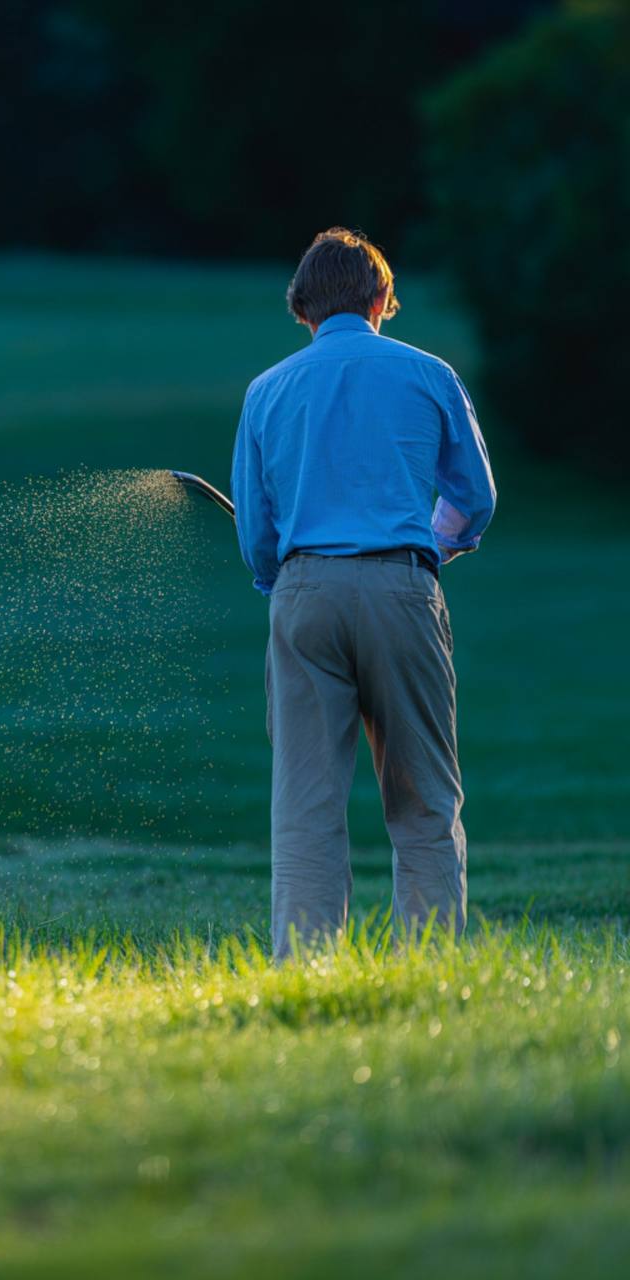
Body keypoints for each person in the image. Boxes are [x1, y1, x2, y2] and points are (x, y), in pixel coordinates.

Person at [230, 227, 496, 961]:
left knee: (307, 803)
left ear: (303, 308)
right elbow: (475, 499)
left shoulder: (267, 390)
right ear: (382, 299)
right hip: (402, 587)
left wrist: (280, 582)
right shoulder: (429, 374)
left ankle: (307, 969)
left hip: (304, 591)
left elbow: (257, 531)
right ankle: (431, 968)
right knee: (424, 800)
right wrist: (433, 548)